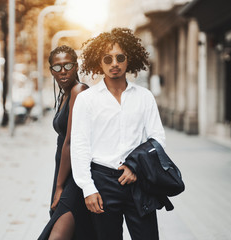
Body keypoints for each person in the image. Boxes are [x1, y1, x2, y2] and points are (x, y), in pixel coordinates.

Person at [71, 28, 166, 240]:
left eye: (120, 57)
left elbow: (157, 139)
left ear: (129, 59)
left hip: (138, 181)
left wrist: (135, 166)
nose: (114, 63)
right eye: (107, 58)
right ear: (99, 62)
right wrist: (88, 188)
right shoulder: (87, 100)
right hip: (103, 182)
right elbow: (80, 145)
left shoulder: (144, 97)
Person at [38, 45, 96, 240]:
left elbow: (70, 142)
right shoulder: (64, 94)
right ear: (51, 70)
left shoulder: (79, 91)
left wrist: (60, 188)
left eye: (67, 65)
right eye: (57, 67)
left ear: (76, 66)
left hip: (76, 174)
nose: (62, 71)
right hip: (64, 170)